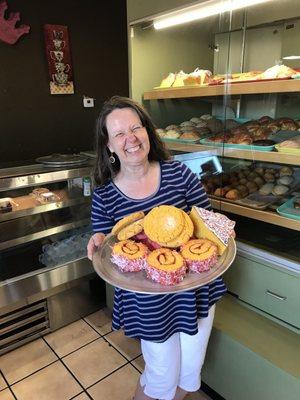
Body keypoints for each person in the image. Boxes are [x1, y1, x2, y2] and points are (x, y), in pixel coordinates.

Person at [87, 96, 227, 400]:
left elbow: (208, 225)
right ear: (109, 146)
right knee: (161, 373)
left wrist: (221, 231)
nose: (131, 139)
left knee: (190, 373)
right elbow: (103, 238)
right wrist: (98, 241)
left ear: (148, 132)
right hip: (147, 303)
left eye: (136, 128)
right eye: (119, 134)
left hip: (195, 291)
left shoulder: (179, 175)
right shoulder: (105, 195)